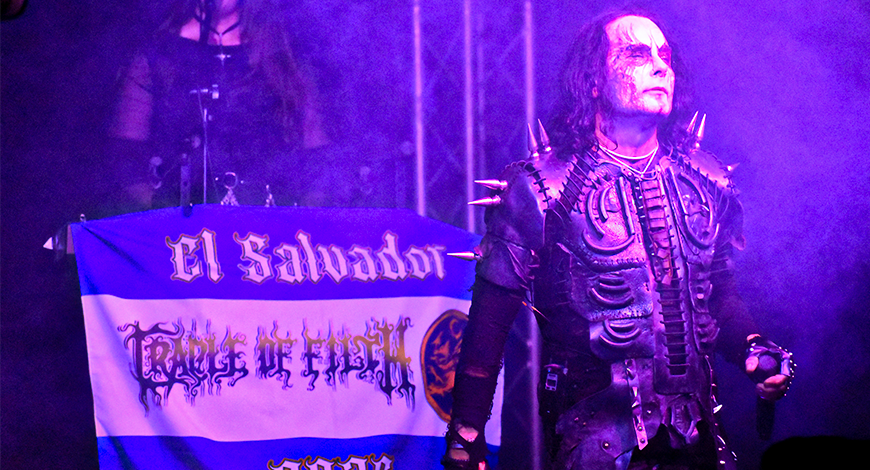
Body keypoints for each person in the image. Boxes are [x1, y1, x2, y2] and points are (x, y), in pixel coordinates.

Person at [443, 9, 793, 470]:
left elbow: (719, 297)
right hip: (596, 445)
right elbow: (489, 328)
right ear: (593, 80)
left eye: (664, 56)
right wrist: (466, 436)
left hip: (700, 442)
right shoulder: (544, 188)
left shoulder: (706, 180)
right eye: (636, 54)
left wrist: (753, 346)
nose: (660, 66)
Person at [105, 0, 382, 214]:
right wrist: (158, 222)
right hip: (182, 238)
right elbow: (126, 156)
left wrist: (300, 226)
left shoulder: (280, 55)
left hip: (268, 236)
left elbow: (318, 156)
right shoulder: (158, 55)